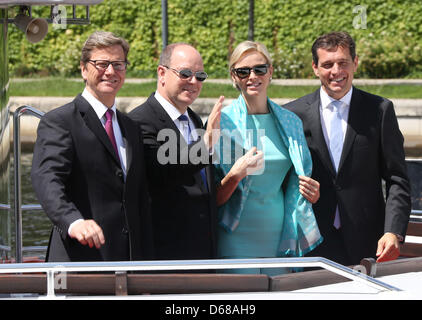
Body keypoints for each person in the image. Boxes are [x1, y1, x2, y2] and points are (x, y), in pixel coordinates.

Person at [284, 31, 411, 266]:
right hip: (311, 241)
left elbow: (397, 179)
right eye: (327, 64)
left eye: (343, 63)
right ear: (315, 67)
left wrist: (393, 231)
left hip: (369, 242)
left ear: (355, 63)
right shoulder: (292, 114)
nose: (336, 71)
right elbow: (282, 178)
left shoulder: (380, 110)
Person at [31, 31, 154, 262]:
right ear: (83, 69)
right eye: (101, 64)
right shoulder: (60, 121)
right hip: (79, 261)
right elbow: (46, 179)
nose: (110, 71)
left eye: (118, 64)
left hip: (128, 266)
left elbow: (139, 199)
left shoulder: (131, 128)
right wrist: (74, 222)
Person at [213, 40, 322, 275]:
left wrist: (312, 193)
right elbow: (211, 196)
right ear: (234, 77)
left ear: (270, 72)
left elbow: (295, 182)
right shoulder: (222, 123)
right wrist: (234, 175)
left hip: (281, 236)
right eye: (243, 71)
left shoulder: (290, 122)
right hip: (234, 237)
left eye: (259, 69)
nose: (252, 76)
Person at [128, 43, 224, 260]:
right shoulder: (139, 121)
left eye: (200, 76)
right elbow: (165, 169)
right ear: (162, 73)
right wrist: (206, 144)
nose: (194, 82)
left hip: (203, 252)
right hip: (165, 255)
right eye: (186, 73)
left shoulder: (194, 119)